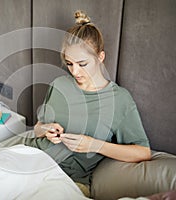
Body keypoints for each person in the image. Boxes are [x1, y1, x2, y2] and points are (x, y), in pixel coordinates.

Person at [24, 10, 151, 197]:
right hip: (32, 159)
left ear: (100, 57)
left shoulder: (119, 100)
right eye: (69, 63)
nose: (75, 72)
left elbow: (143, 152)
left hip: (66, 179)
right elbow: (37, 128)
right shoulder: (58, 85)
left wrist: (94, 145)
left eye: (82, 64)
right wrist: (46, 130)